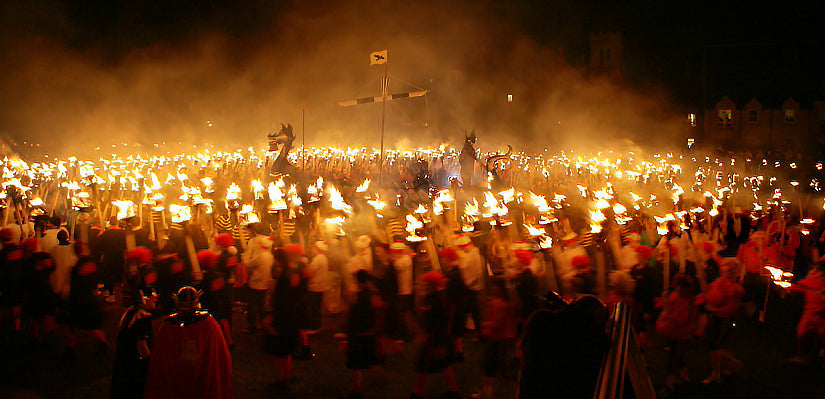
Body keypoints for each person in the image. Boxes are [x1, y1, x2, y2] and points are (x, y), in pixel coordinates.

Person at [144, 286, 232, 399]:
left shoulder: (168, 325)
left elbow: (160, 356)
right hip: (200, 375)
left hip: (176, 376)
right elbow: (220, 357)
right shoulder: (209, 324)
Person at [411, 270, 460, 399]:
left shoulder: (432, 300)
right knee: (443, 364)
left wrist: (425, 336)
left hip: (433, 340)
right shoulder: (440, 297)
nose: (422, 286)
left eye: (425, 283)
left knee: (422, 366)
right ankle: (454, 391)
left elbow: (433, 321)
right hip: (440, 338)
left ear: (431, 285)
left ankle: (417, 393)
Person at [263, 248, 302, 392]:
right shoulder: (291, 273)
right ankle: (286, 376)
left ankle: (283, 379)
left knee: (278, 351)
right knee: (284, 350)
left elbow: (282, 300)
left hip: (283, 318)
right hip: (291, 316)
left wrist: (272, 316)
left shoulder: (285, 279)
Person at [655, 273, 699, 396]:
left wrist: (667, 313)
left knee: (675, 356)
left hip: (680, 332)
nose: (676, 288)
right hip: (672, 331)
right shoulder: (675, 296)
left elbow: (684, 318)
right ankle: (678, 379)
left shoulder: (689, 301)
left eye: (679, 286)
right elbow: (668, 311)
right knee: (674, 355)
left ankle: (673, 382)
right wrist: (665, 303)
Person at [342, 269, 384, 399]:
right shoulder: (372, 293)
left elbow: (355, 315)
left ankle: (356, 390)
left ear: (358, 281)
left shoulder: (361, 296)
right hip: (369, 332)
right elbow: (379, 309)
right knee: (370, 359)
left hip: (360, 334)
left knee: (357, 363)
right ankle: (380, 379)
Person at [703, 259, 744, 384]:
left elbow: (731, 308)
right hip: (715, 317)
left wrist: (715, 309)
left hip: (724, 320)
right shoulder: (719, 281)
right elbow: (711, 291)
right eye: (726, 269)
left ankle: (716, 373)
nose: (727, 271)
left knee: (716, 346)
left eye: (730, 269)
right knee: (718, 345)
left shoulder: (734, 288)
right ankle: (726, 366)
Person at [111, 287, 156, 399]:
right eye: (153, 299)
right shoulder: (143, 317)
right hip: (134, 366)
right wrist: (151, 364)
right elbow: (141, 346)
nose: (155, 301)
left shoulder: (129, 313)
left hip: (122, 363)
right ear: (144, 299)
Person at [64, 256, 109, 358]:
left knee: (93, 327)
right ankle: (70, 349)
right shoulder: (76, 274)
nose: (91, 268)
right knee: (73, 327)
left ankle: (103, 344)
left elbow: (93, 289)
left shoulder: (91, 276)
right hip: (78, 303)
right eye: (89, 266)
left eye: (92, 266)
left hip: (88, 305)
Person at [479, 277, 516, 399]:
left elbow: (497, 322)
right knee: (489, 365)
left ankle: (516, 391)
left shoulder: (503, 303)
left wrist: (486, 325)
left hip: (501, 340)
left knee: (504, 368)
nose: (493, 288)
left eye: (495, 286)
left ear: (500, 288)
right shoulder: (496, 301)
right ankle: (487, 391)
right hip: (495, 339)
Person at [243, 230, 274, 333]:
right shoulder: (270, 256)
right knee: (262, 306)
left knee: (252, 305)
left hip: (256, 284)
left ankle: (252, 326)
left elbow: (248, 264)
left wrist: (245, 257)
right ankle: (262, 324)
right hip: (265, 283)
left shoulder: (260, 257)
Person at [457, 235, 484, 333]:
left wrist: (472, 282)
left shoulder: (473, 255)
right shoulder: (472, 253)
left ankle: (477, 330)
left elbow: (478, 271)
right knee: (472, 310)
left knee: (473, 310)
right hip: (471, 286)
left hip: (472, 287)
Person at [99, 216, 127, 303]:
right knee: (119, 275)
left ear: (110, 223)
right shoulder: (123, 233)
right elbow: (126, 245)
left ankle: (110, 293)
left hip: (109, 256)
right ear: (117, 222)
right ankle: (120, 295)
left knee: (109, 274)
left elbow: (102, 246)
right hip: (119, 256)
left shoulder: (105, 233)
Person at [305, 240, 329, 334]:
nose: (312, 249)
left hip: (315, 287)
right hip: (320, 286)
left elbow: (308, 273)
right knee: (316, 307)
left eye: (313, 247)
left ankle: (314, 327)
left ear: (317, 249)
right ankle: (317, 326)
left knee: (314, 308)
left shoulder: (318, 259)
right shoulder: (323, 258)